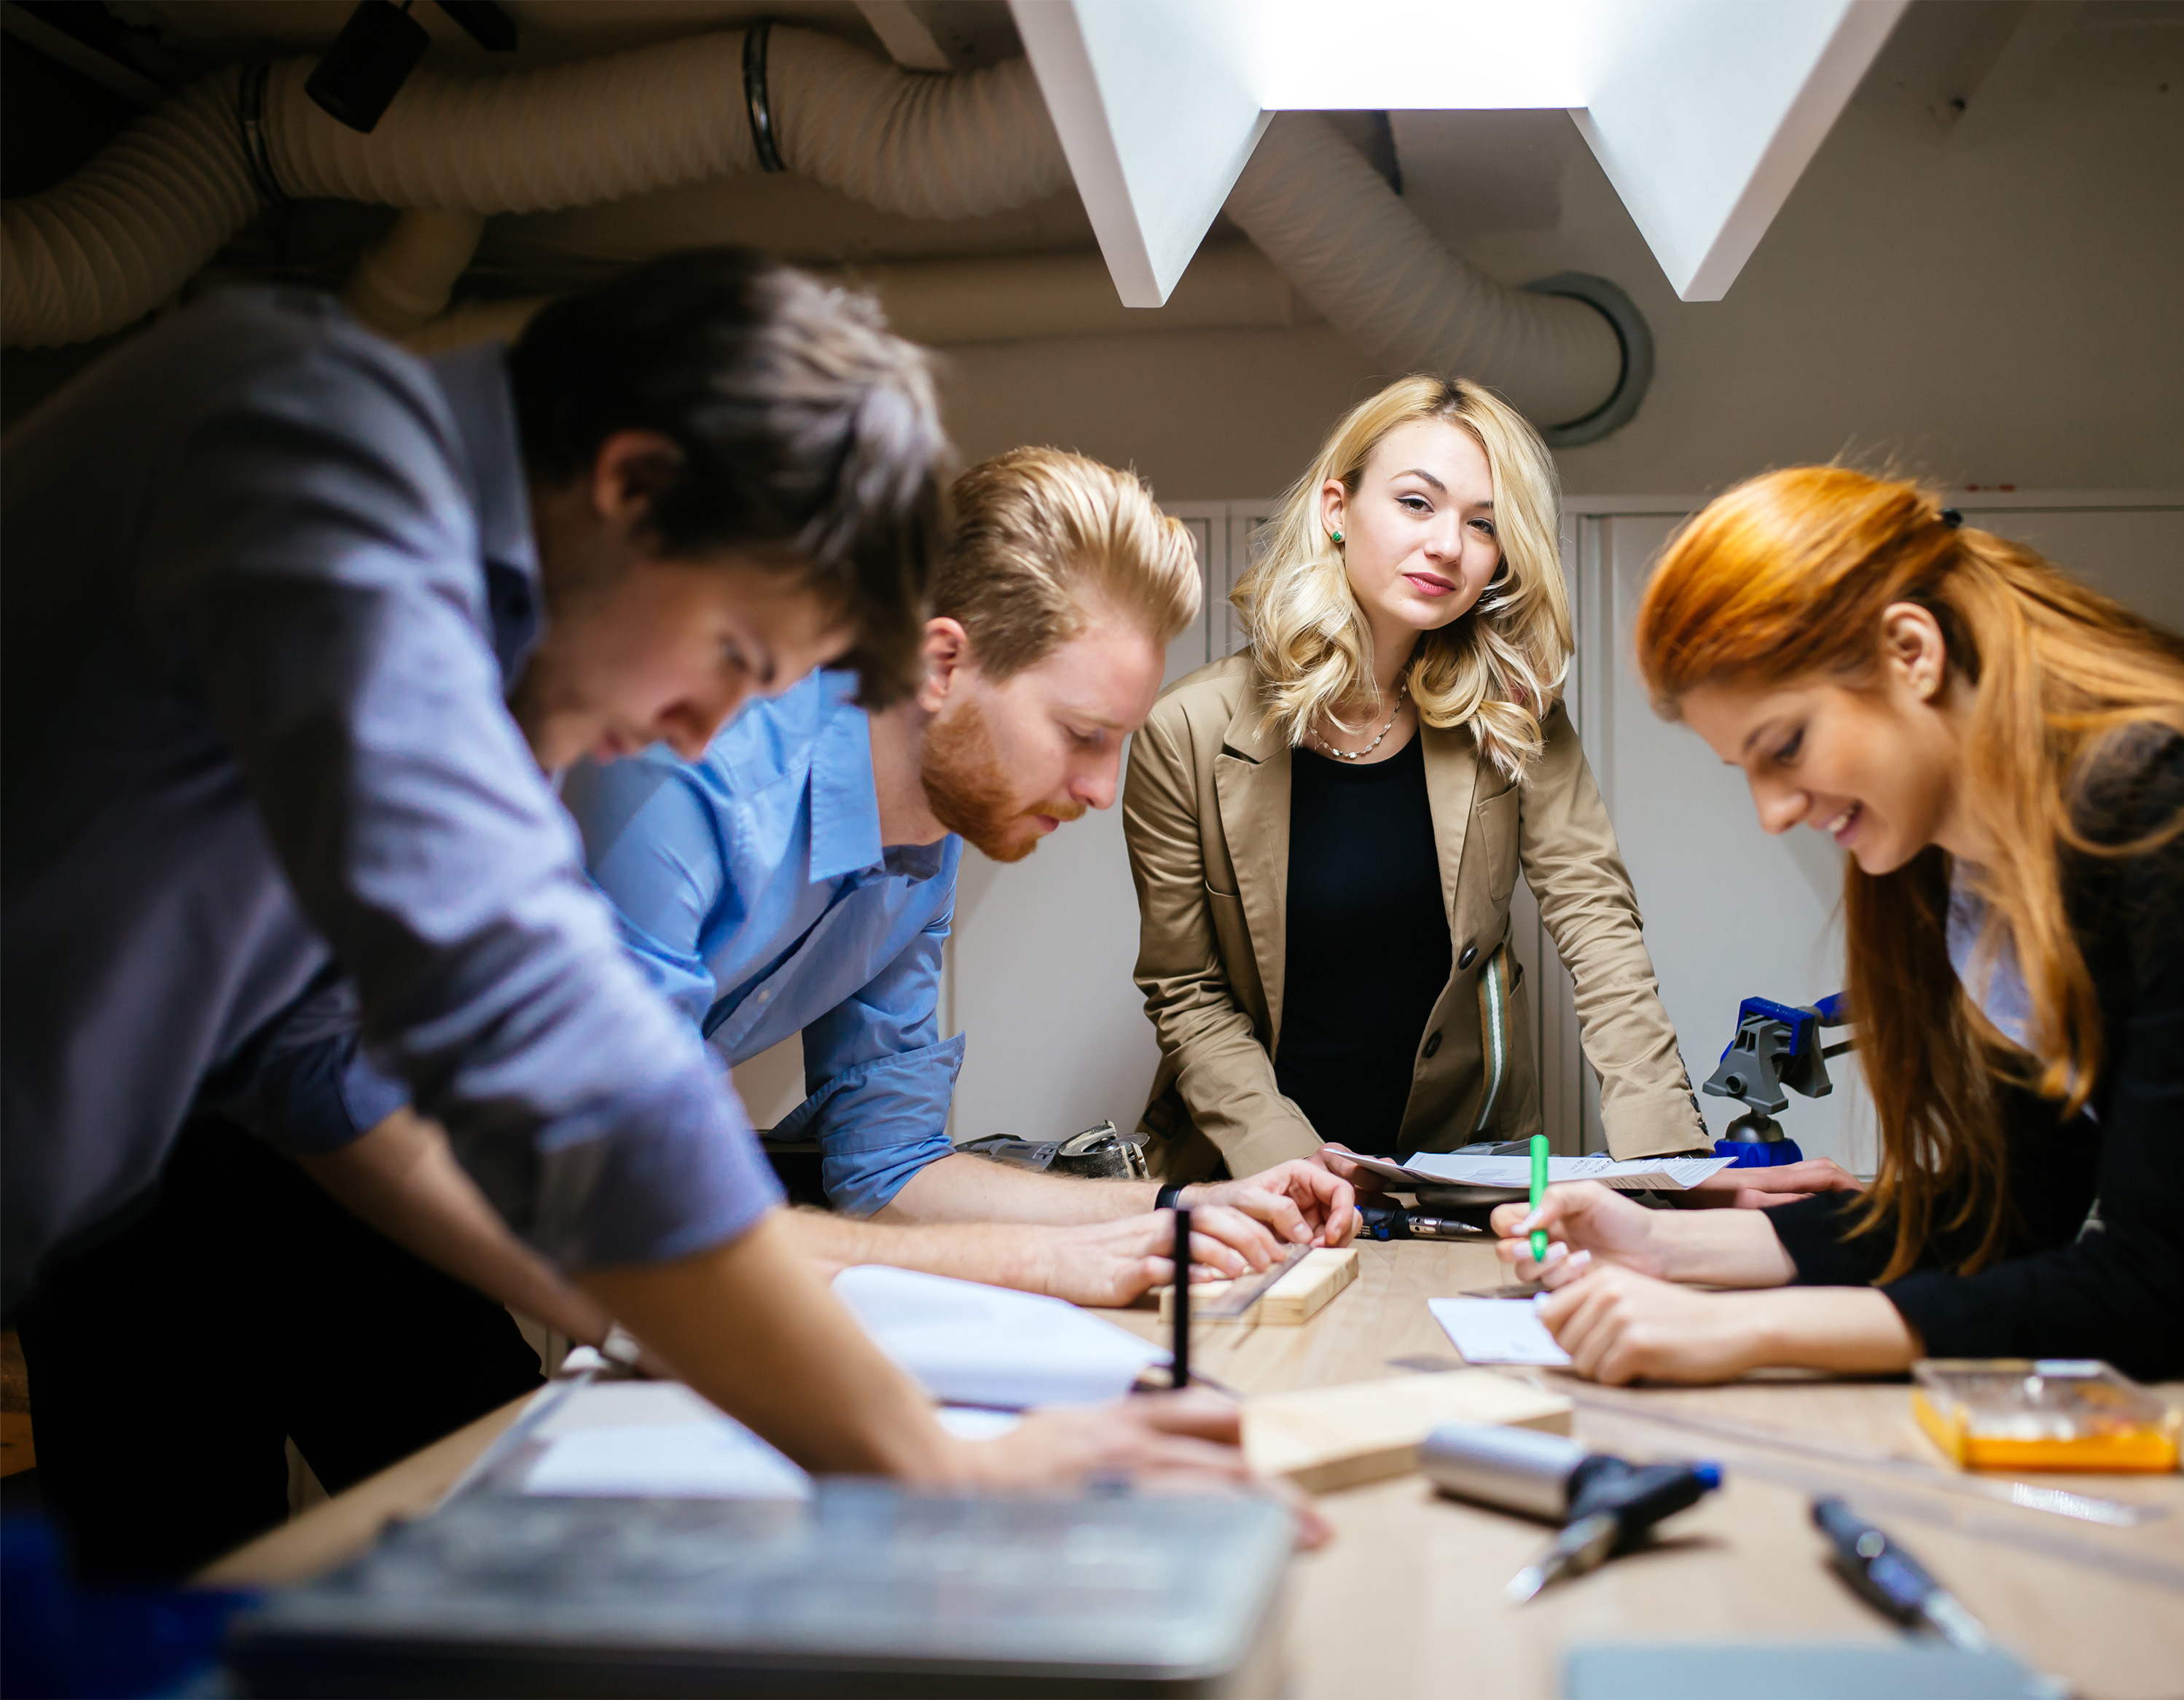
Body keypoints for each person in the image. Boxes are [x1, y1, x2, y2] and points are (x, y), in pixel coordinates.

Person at [4, 251, 1254, 1577]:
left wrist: (656, 1315)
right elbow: (567, 1052)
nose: (707, 726)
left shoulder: (448, 642)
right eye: (732, 654)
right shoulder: (304, 449)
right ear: (633, 487)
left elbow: (324, 1068)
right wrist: (939, 1463)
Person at [1495, 466, 2184, 1530]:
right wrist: (1662, 1246)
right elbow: (2006, 1217)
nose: (1774, 810)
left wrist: (1742, 1334)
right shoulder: (1981, 873)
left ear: (1913, 652)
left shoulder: (2180, 799)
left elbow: (2146, 1287)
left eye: (1787, 747)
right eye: (1745, 771)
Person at [348, 446, 1356, 1312]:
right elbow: (645, 1210)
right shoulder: (692, 773)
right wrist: (1048, 1262)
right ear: (940, 665)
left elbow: (888, 1168)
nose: (1101, 790)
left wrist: (1178, 1211)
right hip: (316, 1128)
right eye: (1082, 736)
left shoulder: (928, 830)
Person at [1122, 375, 1859, 1207]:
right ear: (1336, 509)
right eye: (1415, 503)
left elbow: (1595, 922)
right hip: (1252, 1178)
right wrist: (1289, 1161)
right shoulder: (1184, 731)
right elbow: (1186, 990)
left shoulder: (1515, 709)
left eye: (1483, 523)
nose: (1447, 545)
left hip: (1462, 1171)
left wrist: (1675, 1166)